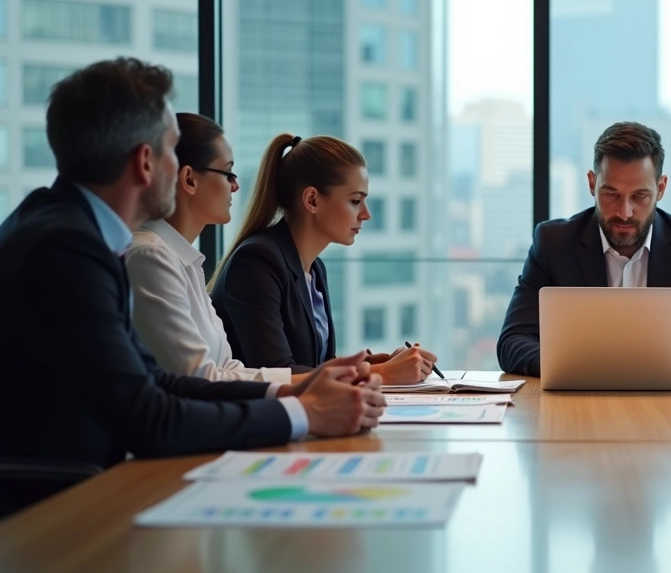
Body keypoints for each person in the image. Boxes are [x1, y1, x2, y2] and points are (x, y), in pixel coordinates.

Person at [0, 58, 386, 478]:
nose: (178, 166)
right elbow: (150, 417)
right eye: (171, 148)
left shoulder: (68, 228)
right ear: (146, 162)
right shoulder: (69, 248)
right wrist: (304, 414)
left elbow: (155, 382)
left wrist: (294, 391)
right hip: (53, 501)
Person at [498, 121, 671, 376]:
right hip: (579, 402)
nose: (625, 213)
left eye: (639, 196)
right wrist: (568, 367)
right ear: (592, 184)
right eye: (611, 194)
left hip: (670, 404)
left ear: (660, 188)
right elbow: (512, 341)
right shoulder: (553, 243)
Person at [209, 133, 436, 383]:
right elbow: (276, 374)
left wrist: (368, 364)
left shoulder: (315, 268)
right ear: (312, 200)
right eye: (355, 201)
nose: (366, 214)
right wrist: (381, 374)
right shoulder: (256, 262)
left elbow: (310, 364)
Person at [127, 114, 302, 384]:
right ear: (189, 180)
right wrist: (307, 385)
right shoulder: (150, 257)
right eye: (228, 172)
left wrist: (312, 382)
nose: (235, 184)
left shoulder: (184, 260)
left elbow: (226, 365)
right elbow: (198, 377)